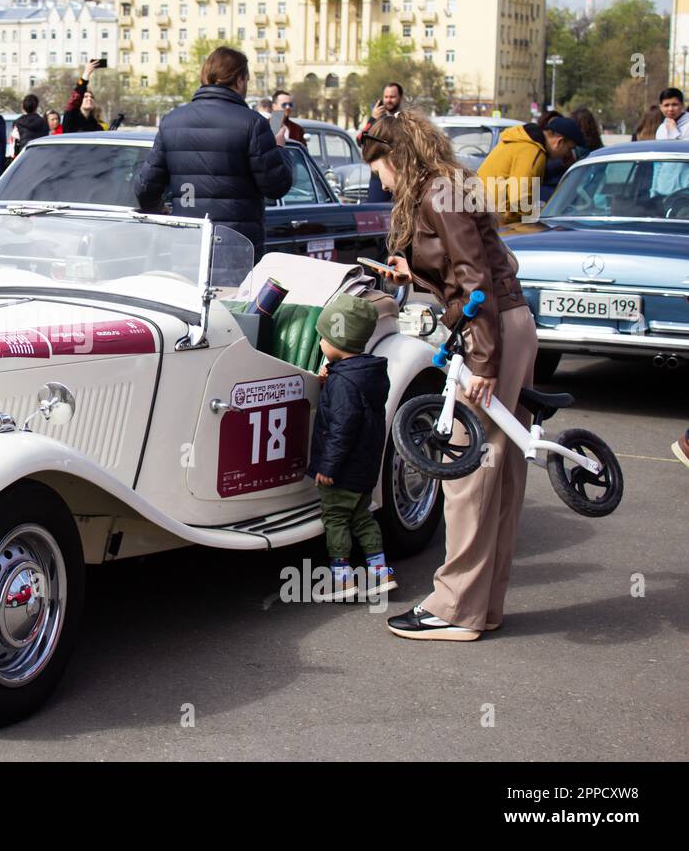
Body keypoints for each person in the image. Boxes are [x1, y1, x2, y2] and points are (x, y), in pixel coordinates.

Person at [360, 112, 535, 640]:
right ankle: (483, 605)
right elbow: (476, 269)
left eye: (381, 169)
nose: (381, 181)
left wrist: (481, 362)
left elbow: (474, 278)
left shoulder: (437, 194)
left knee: (467, 467)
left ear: (399, 157)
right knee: (499, 471)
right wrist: (417, 275)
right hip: (510, 323)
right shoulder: (453, 187)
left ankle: (454, 608)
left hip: (493, 332)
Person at [133, 46, 293, 256]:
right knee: (236, 291)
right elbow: (276, 186)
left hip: (186, 244)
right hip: (237, 248)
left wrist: (161, 208)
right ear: (239, 80)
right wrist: (279, 148)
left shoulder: (172, 121)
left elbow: (145, 189)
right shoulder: (252, 123)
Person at [307, 293, 394, 602]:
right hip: (365, 468)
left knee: (335, 519)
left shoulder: (343, 383)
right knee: (362, 518)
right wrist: (331, 377)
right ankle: (381, 574)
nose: (319, 345)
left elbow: (341, 429)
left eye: (323, 339)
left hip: (341, 471)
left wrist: (327, 468)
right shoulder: (366, 373)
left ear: (338, 342)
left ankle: (342, 580)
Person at [476, 115, 582, 223]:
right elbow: (520, 201)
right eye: (569, 149)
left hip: (480, 213)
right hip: (491, 221)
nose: (568, 154)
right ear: (559, 142)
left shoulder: (520, 142)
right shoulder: (532, 151)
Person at [357, 82, 403, 202]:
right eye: (386, 97)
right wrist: (373, 119)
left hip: (401, 175)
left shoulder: (405, 119)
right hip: (378, 177)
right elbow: (360, 140)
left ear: (400, 98)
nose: (389, 100)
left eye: (392, 97)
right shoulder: (377, 120)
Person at [61, 59, 107, 133]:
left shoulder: (96, 126)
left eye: (91, 97)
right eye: (85, 97)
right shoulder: (71, 118)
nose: (89, 99)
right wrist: (86, 73)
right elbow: (76, 97)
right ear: (79, 101)